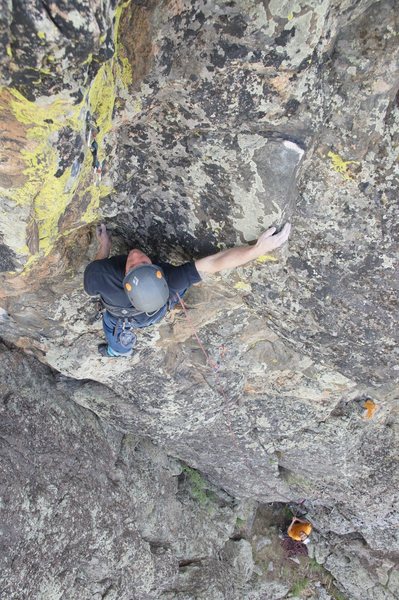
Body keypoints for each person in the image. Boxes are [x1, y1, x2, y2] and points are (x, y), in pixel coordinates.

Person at [84, 222, 291, 357]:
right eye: (138, 264)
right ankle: (119, 351)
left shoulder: (102, 276)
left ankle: (117, 349)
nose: (136, 256)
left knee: (112, 327)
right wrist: (256, 250)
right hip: (149, 312)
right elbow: (215, 263)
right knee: (182, 286)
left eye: (142, 263)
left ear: (159, 276)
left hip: (126, 314)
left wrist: (104, 248)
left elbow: (217, 261)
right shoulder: (171, 280)